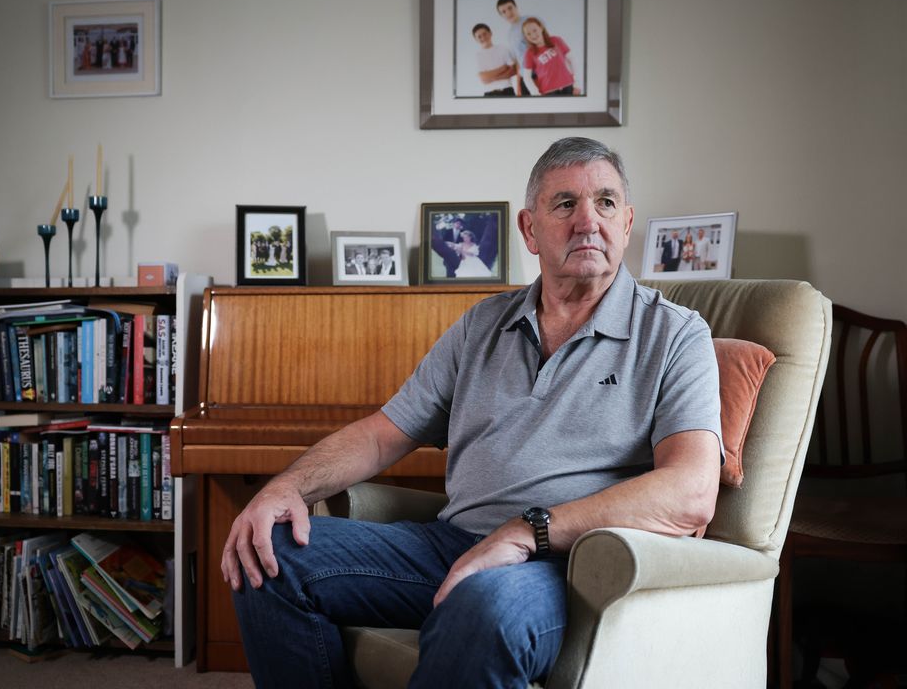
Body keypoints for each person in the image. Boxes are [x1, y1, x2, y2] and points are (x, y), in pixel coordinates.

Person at [223, 137, 723, 689]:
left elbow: (691, 491)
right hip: (451, 545)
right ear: (529, 229)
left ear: (627, 223)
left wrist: (526, 532)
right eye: (565, 204)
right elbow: (383, 434)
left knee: (484, 608)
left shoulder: (676, 334)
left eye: (605, 203)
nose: (588, 221)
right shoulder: (481, 325)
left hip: (571, 567)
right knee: (266, 554)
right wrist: (286, 487)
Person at [521, 17, 580, 96]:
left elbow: (573, 60)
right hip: (549, 92)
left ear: (541, 28)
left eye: (534, 30)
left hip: (569, 87)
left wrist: (577, 84)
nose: (533, 35)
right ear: (526, 37)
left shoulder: (556, 40)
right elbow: (527, 77)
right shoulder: (529, 53)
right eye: (528, 34)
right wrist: (535, 94)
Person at [496, 0, 534, 96]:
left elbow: (546, 45)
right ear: (501, 16)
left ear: (516, 7)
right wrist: (518, 85)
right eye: (503, 12)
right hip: (525, 78)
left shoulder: (530, 21)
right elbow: (517, 61)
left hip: (540, 73)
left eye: (510, 8)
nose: (508, 13)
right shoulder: (510, 35)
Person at [471, 23, 516, 96]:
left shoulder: (503, 48)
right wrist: (503, 68)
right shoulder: (477, 56)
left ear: (490, 33)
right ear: (476, 39)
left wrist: (493, 78)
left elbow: (513, 70)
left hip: (507, 90)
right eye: (479, 37)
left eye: (484, 34)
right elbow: (483, 78)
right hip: (489, 93)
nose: (483, 38)